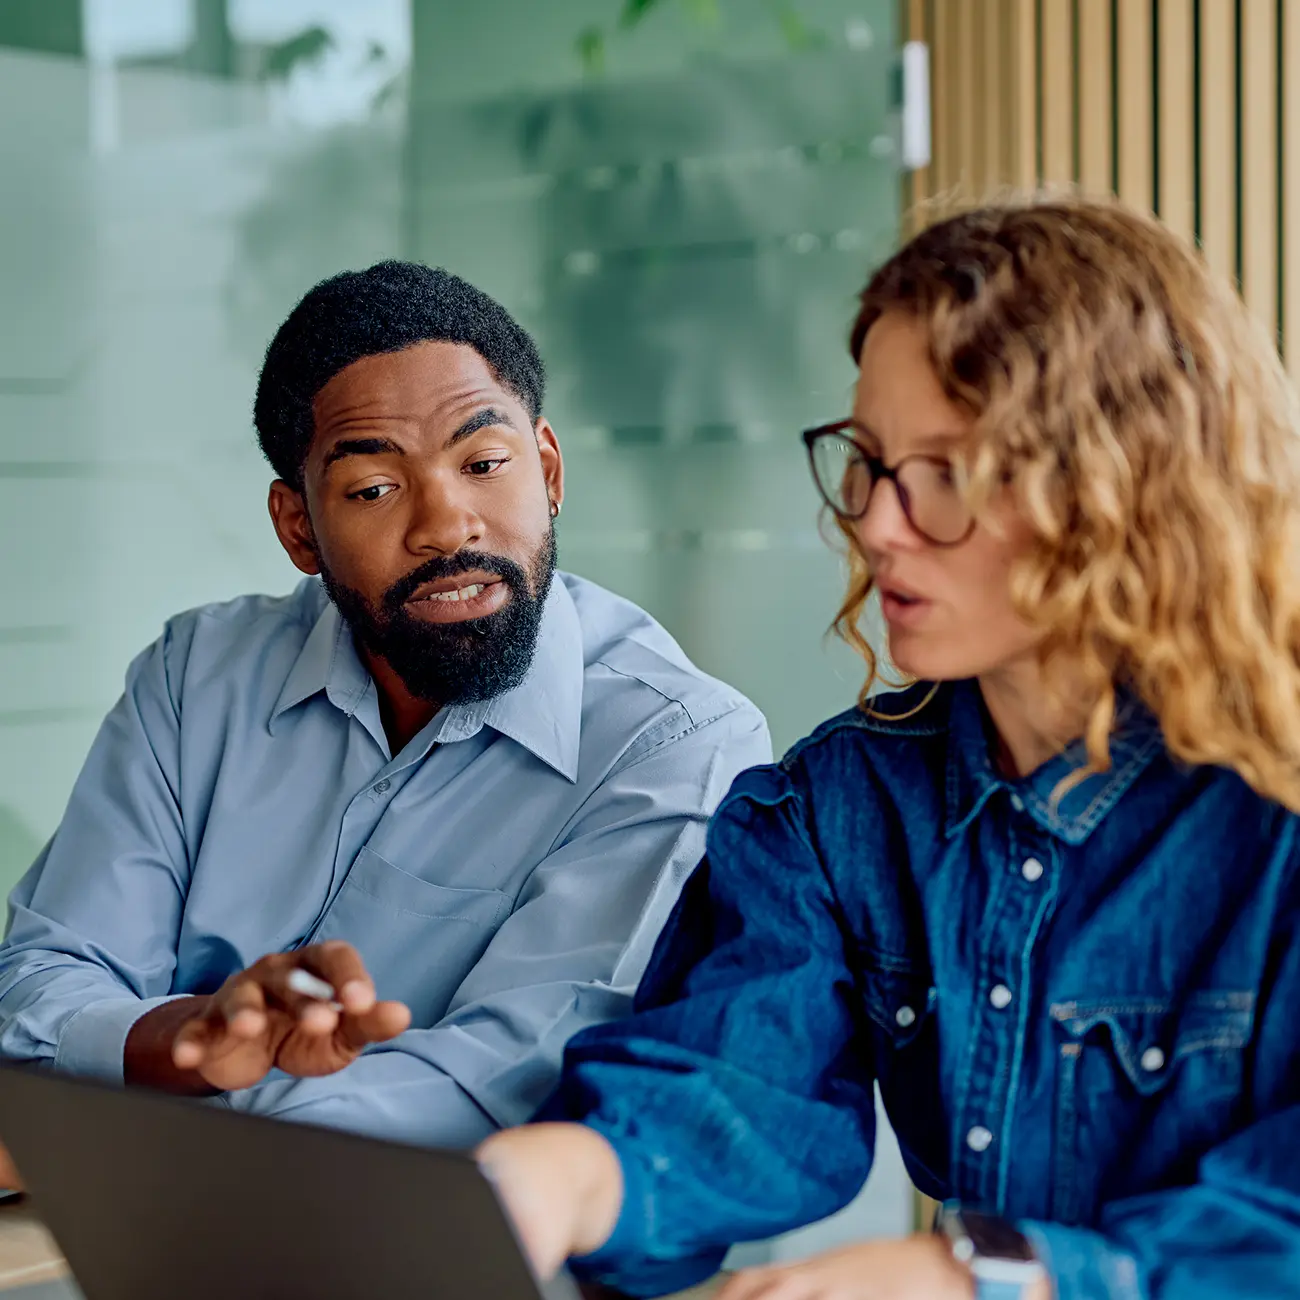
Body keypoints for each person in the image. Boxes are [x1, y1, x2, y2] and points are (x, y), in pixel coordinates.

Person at [477, 197, 1300, 1300]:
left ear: (1120, 484)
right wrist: (558, 1176)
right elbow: (735, 1084)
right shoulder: (834, 806)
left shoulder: (1274, 797)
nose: (874, 523)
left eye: (950, 471)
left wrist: (981, 1277)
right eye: (868, 459)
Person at [0, 262, 769, 1156]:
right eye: (373, 489)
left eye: (485, 463)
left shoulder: (674, 745)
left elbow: (504, 1089)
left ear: (549, 471)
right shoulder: (194, 677)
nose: (447, 526)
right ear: (298, 527)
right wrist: (196, 1041)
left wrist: (132, 1107)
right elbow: (39, 987)